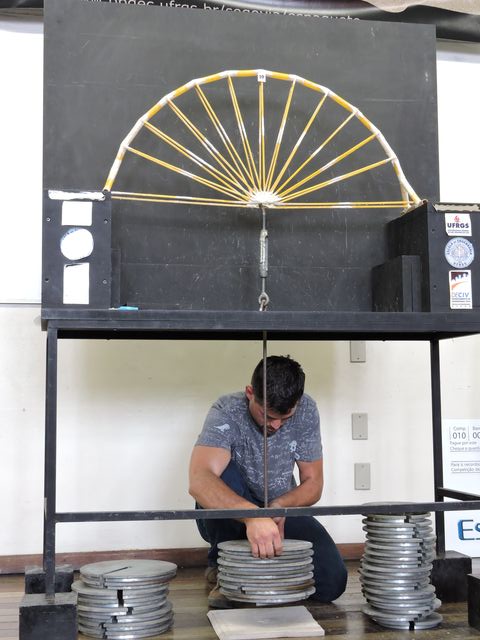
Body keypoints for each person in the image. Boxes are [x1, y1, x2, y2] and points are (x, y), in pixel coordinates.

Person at [188, 355, 347, 607]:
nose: (276, 425)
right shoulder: (227, 409)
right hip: (231, 514)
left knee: (332, 583)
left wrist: (279, 506)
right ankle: (225, 571)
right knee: (223, 473)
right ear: (250, 393)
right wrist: (253, 516)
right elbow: (199, 480)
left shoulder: (306, 410)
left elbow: (313, 483)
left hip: (278, 510)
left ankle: (263, 569)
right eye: (268, 415)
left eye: (285, 418)